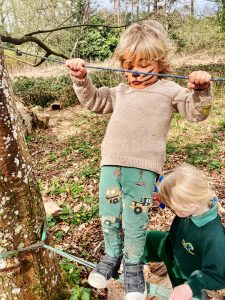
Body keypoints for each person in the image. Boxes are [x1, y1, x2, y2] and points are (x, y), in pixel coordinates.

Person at [66, 20, 212, 300]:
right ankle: (111, 256)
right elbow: (93, 101)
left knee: (135, 220)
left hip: (144, 170)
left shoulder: (170, 90)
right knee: (109, 216)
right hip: (111, 165)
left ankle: (133, 269)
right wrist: (81, 78)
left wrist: (201, 90)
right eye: (129, 64)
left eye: (144, 64)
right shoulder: (120, 92)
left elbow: (196, 113)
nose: (135, 71)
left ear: (159, 62)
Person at [143, 164, 225, 300]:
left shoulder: (214, 236)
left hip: (187, 273)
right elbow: (174, 195)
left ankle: (198, 293)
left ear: (188, 206)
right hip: (171, 248)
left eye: (174, 208)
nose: (172, 209)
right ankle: (132, 265)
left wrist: (191, 286)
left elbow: (219, 274)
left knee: (183, 292)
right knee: (145, 237)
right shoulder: (193, 207)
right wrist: (163, 195)